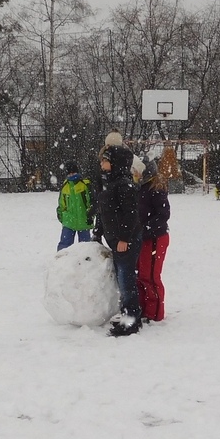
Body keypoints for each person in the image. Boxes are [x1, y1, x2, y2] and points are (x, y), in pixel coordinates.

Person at [94, 144, 142, 337]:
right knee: (122, 279)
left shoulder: (124, 185)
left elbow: (131, 215)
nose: (102, 164)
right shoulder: (107, 183)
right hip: (114, 239)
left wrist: (124, 238)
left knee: (126, 280)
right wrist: (98, 231)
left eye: (105, 160)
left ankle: (131, 320)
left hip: (126, 240)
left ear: (115, 163)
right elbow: (103, 211)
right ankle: (126, 313)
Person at [137, 159, 171, 322]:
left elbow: (163, 215)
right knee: (140, 275)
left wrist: (146, 229)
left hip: (155, 238)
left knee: (150, 276)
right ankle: (143, 308)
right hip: (142, 238)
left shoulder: (155, 189)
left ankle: (154, 312)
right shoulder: (140, 188)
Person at [55, 161, 94, 250]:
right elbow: (62, 204)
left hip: (84, 221)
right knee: (64, 248)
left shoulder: (85, 185)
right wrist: (61, 216)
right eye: (69, 173)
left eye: (74, 173)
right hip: (69, 222)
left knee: (85, 249)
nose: (72, 175)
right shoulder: (65, 186)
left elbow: (91, 202)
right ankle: (62, 259)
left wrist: (90, 215)